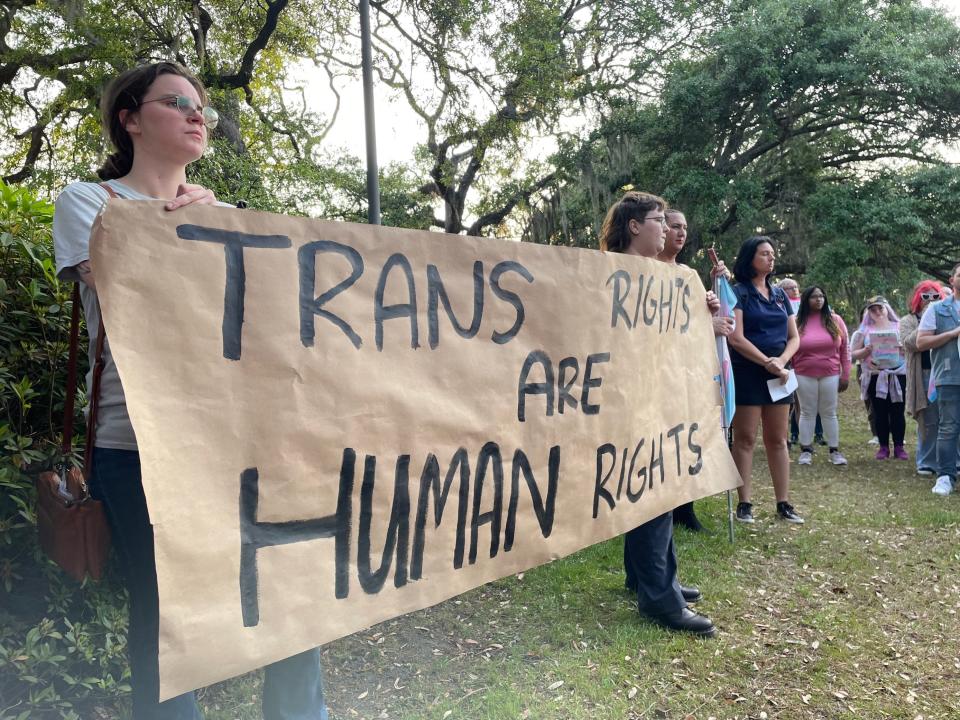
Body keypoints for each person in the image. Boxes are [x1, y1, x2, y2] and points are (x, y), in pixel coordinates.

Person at [53, 62, 329, 720]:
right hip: (138, 447)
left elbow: (269, 324)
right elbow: (132, 285)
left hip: (241, 442)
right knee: (167, 616)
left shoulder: (228, 217)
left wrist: (217, 230)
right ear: (131, 118)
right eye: (177, 103)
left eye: (199, 106)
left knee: (294, 594)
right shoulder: (90, 203)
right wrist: (193, 236)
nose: (196, 114)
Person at [600, 191, 716, 637]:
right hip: (632, 397)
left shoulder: (670, 277)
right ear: (634, 226)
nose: (667, 230)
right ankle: (658, 596)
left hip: (663, 393)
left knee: (653, 487)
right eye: (658, 221)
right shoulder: (612, 273)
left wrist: (704, 317)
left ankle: (646, 577)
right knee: (654, 487)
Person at [657, 208, 734, 532]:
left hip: (688, 372)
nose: (680, 232)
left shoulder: (689, 274)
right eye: (674, 226)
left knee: (687, 440)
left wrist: (711, 306)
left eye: (685, 227)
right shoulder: (648, 271)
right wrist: (707, 324)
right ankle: (662, 507)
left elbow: (696, 316)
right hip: (660, 370)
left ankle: (685, 508)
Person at [726, 236, 804, 524]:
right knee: (745, 438)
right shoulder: (738, 293)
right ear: (750, 258)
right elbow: (736, 337)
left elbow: (794, 337)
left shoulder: (781, 295)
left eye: (773, 254)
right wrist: (765, 362)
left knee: (778, 439)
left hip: (780, 374)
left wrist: (781, 362)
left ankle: (783, 502)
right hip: (748, 372)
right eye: (764, 254)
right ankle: (744, 503)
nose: (771, 259)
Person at [791, 286, 850, 466]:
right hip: (803, 373)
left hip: (830, 373)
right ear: (806, 300)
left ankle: (834, 450)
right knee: (807, 411)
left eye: (822, 296)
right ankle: (806, 450)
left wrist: (845, 374)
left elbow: (844, 349)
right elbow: (790, 347)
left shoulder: (835, 320)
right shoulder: (797, 321)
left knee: (829, 412)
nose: (819, 300)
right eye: (814, 297)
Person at [916, 263, 960, 496]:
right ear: (952, 280)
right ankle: (945, 476)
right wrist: (952, 334)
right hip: (950, 375)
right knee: (949, 426)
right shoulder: (937, 309)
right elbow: (921, 342)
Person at [851, 296, 907, 461]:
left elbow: (910, 347)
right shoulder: (865, 330)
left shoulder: (899, 326)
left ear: (886, 308)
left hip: (897, 374)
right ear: (868, 312)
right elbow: (853, 353)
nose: (877, 312)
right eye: (872, 309)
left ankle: (899, 446)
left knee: (898, 411)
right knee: (879, 411)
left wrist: (902, 349)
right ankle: (883, 446)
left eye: (880, 308)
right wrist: (866, 351)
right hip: (875, 375)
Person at [900, 281, 948, 476]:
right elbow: (909, 343)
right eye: (925, 296)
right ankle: (927, 461)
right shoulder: (907, 320)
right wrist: (926, 322)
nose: (930, 300)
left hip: (946, 371)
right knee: (928, 420)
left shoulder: (947, 316)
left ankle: (952, 460)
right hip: (923, 375)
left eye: (935, 296)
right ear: (917, 298)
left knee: (950, 419)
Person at [849, 304, 879, 445]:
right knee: (872, 402)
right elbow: (853, 354)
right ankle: (876, 434)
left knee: (890, 402)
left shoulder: (888, 329)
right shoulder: (859, 334)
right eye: (867, 314)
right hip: (865, 370)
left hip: (886, 370)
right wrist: (865, 352)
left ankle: (892, 433)